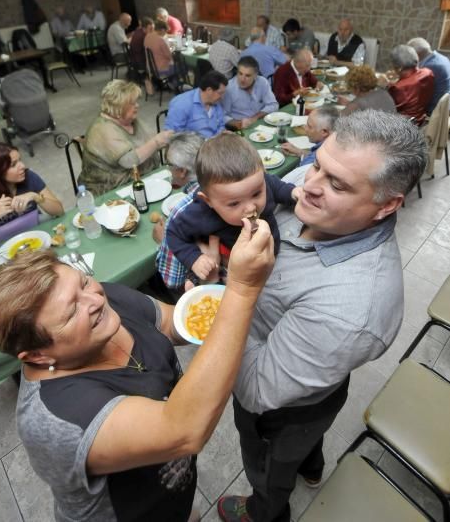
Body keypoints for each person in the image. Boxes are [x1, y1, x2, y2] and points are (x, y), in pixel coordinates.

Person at [217, 110, 427, 522]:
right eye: (317, 163)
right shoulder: (312, 190)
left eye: (337, 184)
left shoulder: (352, 310)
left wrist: (230, 299)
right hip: (314, 375)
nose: (306, 187)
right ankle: (312, 468)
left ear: (386, 205)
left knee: (270, 468)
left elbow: (258, 389)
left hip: (284, 409)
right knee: (305, 448)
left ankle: (263, 512)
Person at [0, 224, 274, 522]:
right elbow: (184, 429)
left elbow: (169, 324)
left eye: (83, 283)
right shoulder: (58, 419)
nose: (96, 300)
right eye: (72, 312)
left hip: (169, 492)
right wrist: (241, 291)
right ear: (37, 354)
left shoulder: (100, 303)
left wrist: (203, 311)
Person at [167, 132, 297, 285]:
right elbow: (173, 233)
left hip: (273, 257)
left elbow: (275, 185)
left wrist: (292, 192)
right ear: (208, 201)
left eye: (256, 193)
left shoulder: (260, 183)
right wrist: (194, 258)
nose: (250, 208)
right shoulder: (201, 213)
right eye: (234, 203)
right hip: (235, 270)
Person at [79, 80, 172, 195]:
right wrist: (156, 142)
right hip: (111, 191)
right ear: (118, 106)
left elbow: (148, 139)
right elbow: (129, 160)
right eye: (132, 103)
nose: (137, 105)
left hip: (142, 180)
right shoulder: (102, 129)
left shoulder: (130, 120)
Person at [0, 144, 63, 249]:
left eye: (20, 160)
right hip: (4, 248)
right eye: (13, 165)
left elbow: (59, 211)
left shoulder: (28, 176)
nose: (23, 166)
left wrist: (35, 197)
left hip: (36, 236)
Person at [154, 132, 204, 290]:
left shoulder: (180, 212)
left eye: (168, 164)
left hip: (200, 284)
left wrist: (163, 240)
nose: (167, 168)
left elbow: (172, 281)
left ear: (182, 171)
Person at [380, 44, 434, 125]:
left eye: (394, 66)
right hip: (421, 120)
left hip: (403, 126)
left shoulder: (398, 88)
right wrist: (398, 78)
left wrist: (384, 86)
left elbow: (385, 107)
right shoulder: (428, 73)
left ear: (400, 68)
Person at [165, 71, 228, 138]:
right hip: (192, 146)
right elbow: (172, 136)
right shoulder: (181, 104)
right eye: (220, 93)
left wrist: (222, 134)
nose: (222, 97)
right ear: (209, 90)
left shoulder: (215, 102)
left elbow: (221, 125)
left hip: (213, 144)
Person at [222, 56, 278, 130]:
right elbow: (222, 115)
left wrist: (255, 117)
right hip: (239, 129)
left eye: (247, 75)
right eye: (240, 73)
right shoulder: (229, 88)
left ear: (255, 75)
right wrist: (239, 123)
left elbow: (273, 105)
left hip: (261, 124)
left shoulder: (262, 82)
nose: (242, 79)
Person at [407, 37, 450, 114]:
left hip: (433, 111)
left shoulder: (429, 67)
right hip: (444, 107)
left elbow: (414, 92)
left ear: (417, 54)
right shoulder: (442, 58)